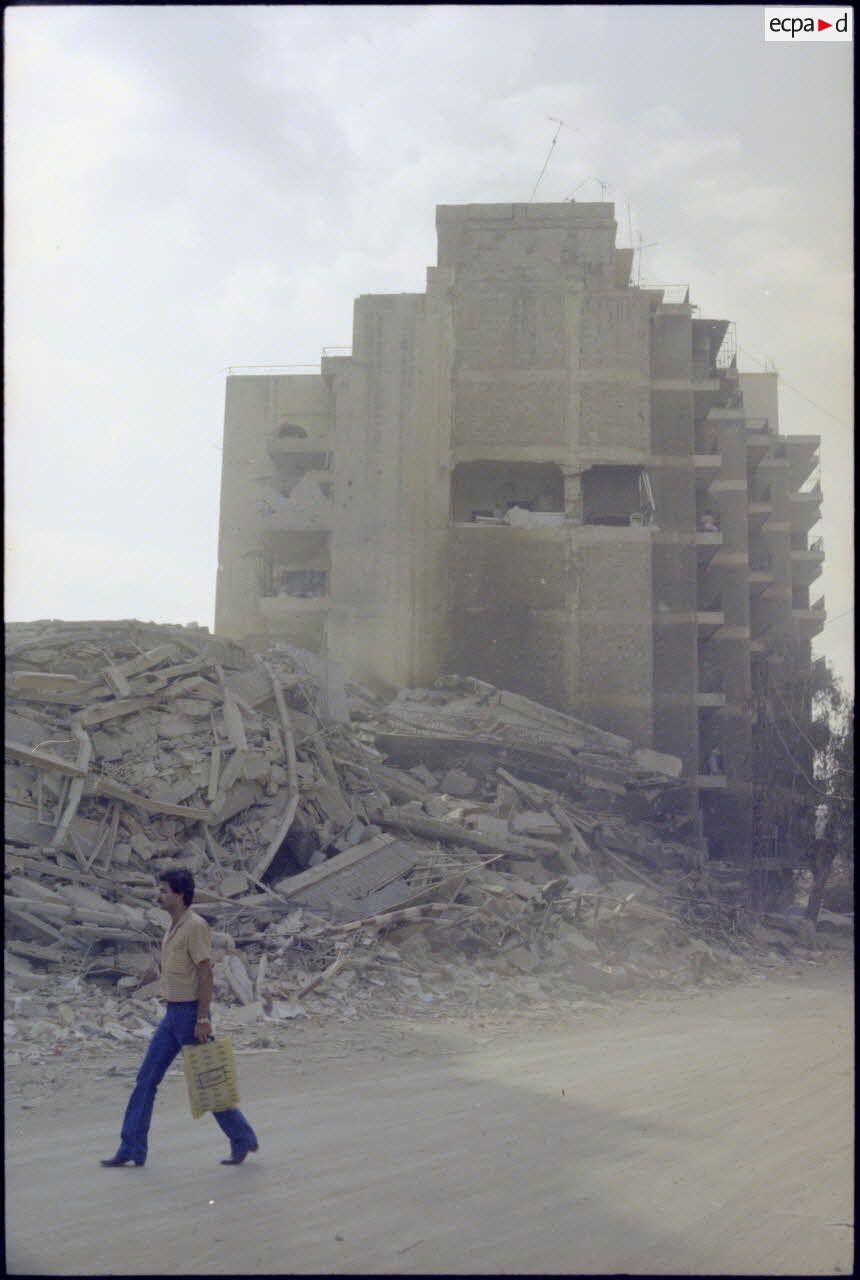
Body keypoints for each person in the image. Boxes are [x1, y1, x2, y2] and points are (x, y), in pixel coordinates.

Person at [100, 867, 258, 1168]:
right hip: (172, 1014)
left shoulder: (195, 926)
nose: (158, 895)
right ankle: (132, 1146)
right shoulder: (174, 925)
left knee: (207, 1081)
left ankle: (241, 1137)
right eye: (159, 890)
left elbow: (205, 972)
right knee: (146, 1080)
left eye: (164, 891)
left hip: (189, 1015)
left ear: (180, 894)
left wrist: (202, 1019)